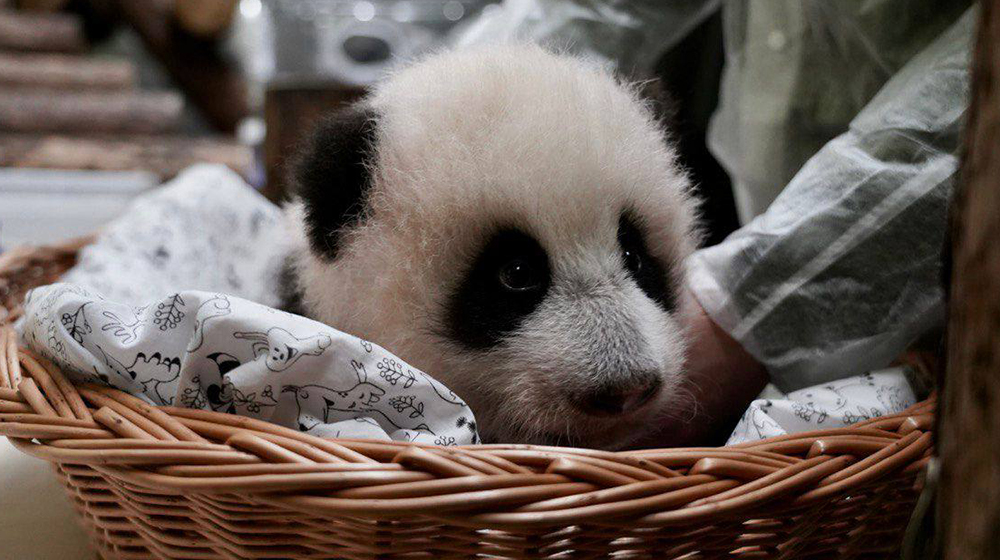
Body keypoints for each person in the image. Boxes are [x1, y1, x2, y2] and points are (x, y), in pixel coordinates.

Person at [458, 0, 975, 445]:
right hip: (764, 239)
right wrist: (451, 116)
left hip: (956, 302)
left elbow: (971, 110)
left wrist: (745, 309)